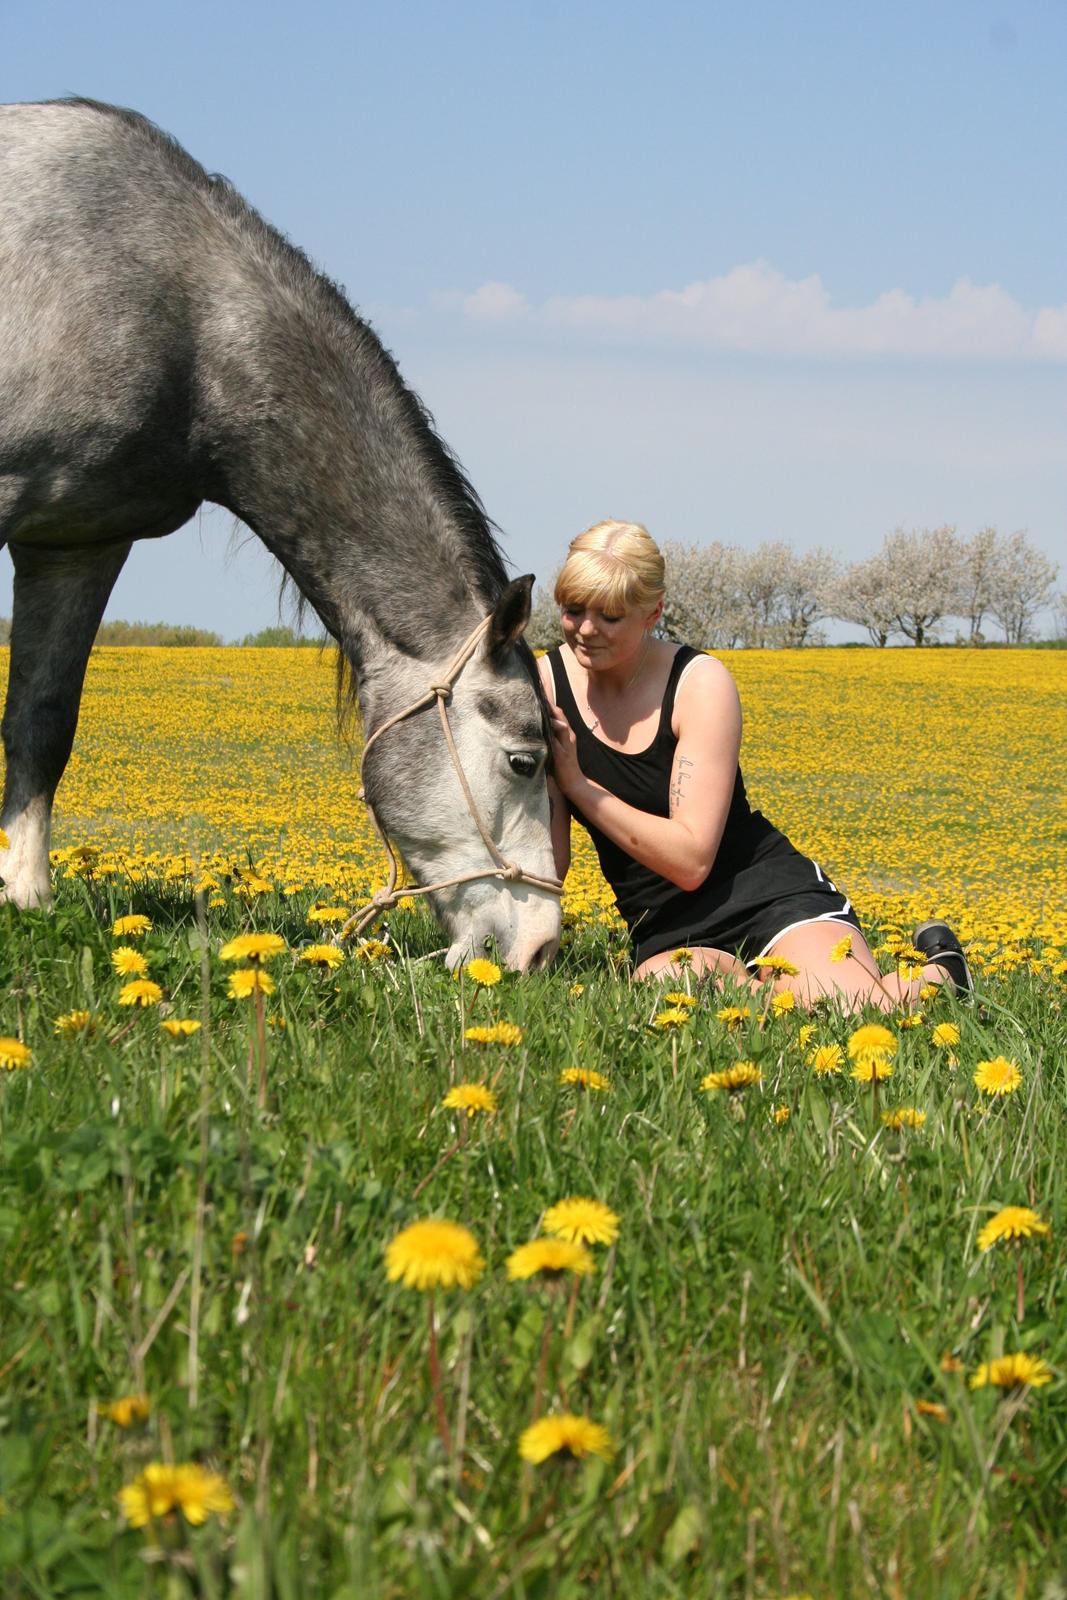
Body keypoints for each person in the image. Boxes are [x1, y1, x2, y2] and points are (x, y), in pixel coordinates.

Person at [538, 520, 971, 1009]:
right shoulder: (545, 684)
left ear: (652, 613)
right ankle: (790, 987)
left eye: (610, 617)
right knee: (703, 1007)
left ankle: (942, 975)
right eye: (573, 611)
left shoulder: (700, 684)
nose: (587, 630)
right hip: (667, 929)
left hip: (768, 896)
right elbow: (549, 861)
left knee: (840, 1010)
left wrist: (577, 783)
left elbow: (690, 860)